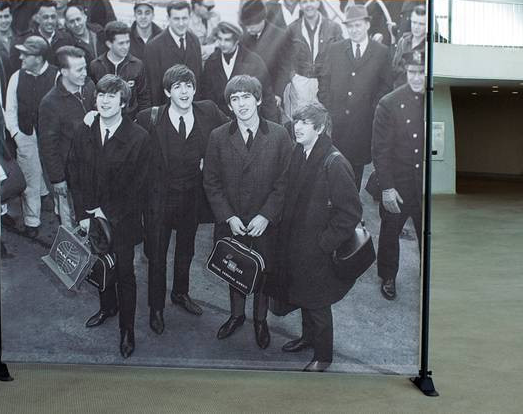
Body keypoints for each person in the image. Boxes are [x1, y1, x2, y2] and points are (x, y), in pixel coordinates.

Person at [137, 65, 229, 335]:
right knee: (156, 256)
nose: (184, 91)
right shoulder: (148, 118)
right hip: (158, 201)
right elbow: (126, 139)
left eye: (188, 85)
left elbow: (230, 133)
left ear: (195, 88)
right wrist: (96, 117)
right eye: (177, 86)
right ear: (167, 92)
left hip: (192, 198)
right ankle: (156, 307)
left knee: (185, 250)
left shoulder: (209, 111)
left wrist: (211, 161)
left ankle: (180, 293)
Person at [203, 75, 292, 349]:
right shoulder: (218, 136)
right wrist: (228, 216)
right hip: (233, 222)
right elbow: (211, 181)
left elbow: (284, 181)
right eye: (234, 99)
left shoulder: (279, 134)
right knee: (235, 269)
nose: (241, 104)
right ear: (229, 105)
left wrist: (266, 215)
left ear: (258, 99)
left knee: (263, 272)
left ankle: (260, 320)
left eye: (246, 97)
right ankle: (237, 315)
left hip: (265, 223)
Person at [67, 75, 150, 359]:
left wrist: (108, 211)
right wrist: (83, 214)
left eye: (112, 96)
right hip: (90, 216)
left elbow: (140, 186)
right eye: (101, 94)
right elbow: (74, 175)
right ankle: (106, 307)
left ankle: (127, 331)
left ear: (124, 103)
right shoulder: (84, 131)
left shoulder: (138, 137)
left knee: (125, 275)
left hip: (122, 221)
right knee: (100, 265)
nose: (104, 100)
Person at [276, 102, 362, 372]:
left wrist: (323, 244)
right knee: (303, 295)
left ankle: (323, 356)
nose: (296, 127)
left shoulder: (334, 162)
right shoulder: (300, 152)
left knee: (318, 303)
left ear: (321, 128)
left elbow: (350, 213)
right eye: (296, 121)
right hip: (297, 244)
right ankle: (307, 338)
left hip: (318, 248)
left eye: (304, 123)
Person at [367, 51, 425, 301]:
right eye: (412, 72)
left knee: (428, 232)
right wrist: (388, 188)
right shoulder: (389, 103)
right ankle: (388, 275)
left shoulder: (438, 99)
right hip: (398, 182)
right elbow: (380, 150)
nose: (416, 77)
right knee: (391, 231)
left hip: (425, 184)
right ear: (405, 72)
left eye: (422, 72)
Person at [318, 4, 392, 190]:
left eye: (358, 25)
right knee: (333, 166)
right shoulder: (335, 49)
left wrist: (371, 110)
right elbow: (324, 79)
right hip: (337, 125)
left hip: (362, 125)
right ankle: (333, 209)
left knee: (355, 171)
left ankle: (351, 213)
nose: (354, 30)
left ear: (367, 25)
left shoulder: (381, 52)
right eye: (350, 26)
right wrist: (330, 106)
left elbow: (386, 86)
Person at [4, 35, 57, 238]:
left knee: (55, 177)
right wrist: (16, 133)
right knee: (30, 179)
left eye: (26, 54)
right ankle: (32, 222)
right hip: (26, 135)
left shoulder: (56, 76)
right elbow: (10, 109)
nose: (21, 57)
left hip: (50, 138)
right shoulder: (17, 77)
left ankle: (63, 221)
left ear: (39, 57)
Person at [38, 46, 96, 230]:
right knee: (72, 224)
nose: (84, 73)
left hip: (93, 169)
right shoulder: (50, 103)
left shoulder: (90, 86)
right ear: (63, 71)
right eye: (79, 69)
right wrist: (57, 179)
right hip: (69, 176)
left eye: (85, 67)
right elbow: (48, 146)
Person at [199, 21, 279, 123]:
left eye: (227, 40)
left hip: (249, 122)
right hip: (219, 125)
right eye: (220, 39)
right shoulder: (211, 62)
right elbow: (207, 98)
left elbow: (267, 98)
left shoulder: (254, 61)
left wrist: (272, 129)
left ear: (237, 40)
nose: (222, 44)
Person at [143, 0, 203, 106]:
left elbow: (198, 78)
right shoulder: (153, 47)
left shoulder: (194, 41)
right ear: (168, 19)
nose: (181, 23)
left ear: (190, 17)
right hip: (166, 111)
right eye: (176, 19)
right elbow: (153, 89)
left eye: (184, 18)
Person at [89, 21, 150, 120]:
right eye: (121, 43)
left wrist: (141, 120)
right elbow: (92, 97)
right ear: (109, 44)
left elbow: (144, 98)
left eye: (127, 42)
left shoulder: (137, 65)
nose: (126, 47)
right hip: (104, 121)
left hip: (130, 121)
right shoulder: (96, 65)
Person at [240, 0, 293, 109]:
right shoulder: (245, 37)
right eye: (246, 27)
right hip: (251, 92)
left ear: (262, 20)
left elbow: (285, 67)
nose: (248, 30)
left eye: (252, 27)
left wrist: (278, 93)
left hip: (272, 92)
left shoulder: (281, 36)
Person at [391, 4, 427, 88]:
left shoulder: (428, 47)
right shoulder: (403, 41)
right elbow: (394, 67)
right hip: (398, 90)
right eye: (414, 22)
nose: (416, 27)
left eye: (421, 24)